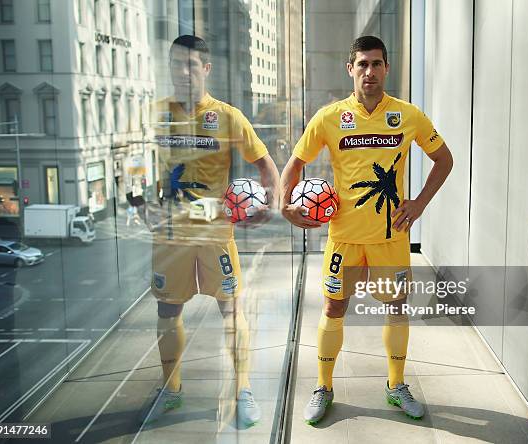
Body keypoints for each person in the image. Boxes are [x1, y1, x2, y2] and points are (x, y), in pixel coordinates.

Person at [280, 36, 453, 424]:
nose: (369, 72)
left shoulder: (408, 115)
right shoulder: (329, 117)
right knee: (333, 306)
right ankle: (323, 387)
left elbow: (444, 159)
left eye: (376, 64)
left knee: (395, 307)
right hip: (343, 236)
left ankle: (395, 386)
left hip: (391, 237)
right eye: (362, 64)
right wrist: (284, 204)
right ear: (350, 69)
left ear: (387, 68)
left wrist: (420, 202)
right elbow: (294, 164)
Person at [143, 35, 280, 427]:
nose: (182, 72)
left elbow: (266, 165)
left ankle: (243, 392)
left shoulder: (228, 116)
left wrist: (265, 207)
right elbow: (136, 162)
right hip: (169, 237)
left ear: (206, 68)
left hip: (216, 234)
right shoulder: (156, 114)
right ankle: (171, 389)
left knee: (231, 311)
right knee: (167, 310)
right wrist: (142, 205)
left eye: (190, 64)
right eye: (175, 63)